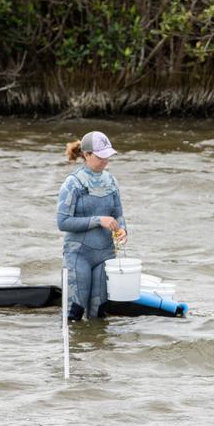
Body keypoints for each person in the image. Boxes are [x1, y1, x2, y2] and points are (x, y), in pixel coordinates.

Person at [57, 131, 127, 321]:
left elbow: (118, 214)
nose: (106, 160)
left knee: (99, 313)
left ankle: (99, 350)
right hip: (79, 255)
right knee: (75, 313)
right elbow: (62, 223)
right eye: (100, 156)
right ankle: (77, 348)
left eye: (108, 156)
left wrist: (122, 230)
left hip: (105, 254)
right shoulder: (73, 183)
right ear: (86, 155)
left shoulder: (111, 182)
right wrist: (98, 220)